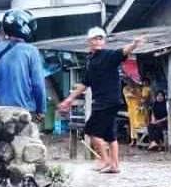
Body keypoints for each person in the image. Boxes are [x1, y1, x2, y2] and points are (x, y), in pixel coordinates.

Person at [57, 28, 145, 174]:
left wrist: (134, 44)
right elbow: (85, 83)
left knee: (92, 131)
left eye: (100, 39)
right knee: (110, 135)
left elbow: (122, 52)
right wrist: (69, 99)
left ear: (103, 41)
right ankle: (115, 165)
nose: (98, 41)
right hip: (106, 101)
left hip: (107, 101)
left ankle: (105, 160)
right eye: (95, 39)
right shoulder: (90, 61)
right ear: (89, 41)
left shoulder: (108, 55)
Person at [0, 9, 47, 121]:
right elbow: (38, 85)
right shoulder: (31, 51)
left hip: (0, 110)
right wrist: (41, 109)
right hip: (24, 111)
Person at [122, 77, 149, 146]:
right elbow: (128, 96)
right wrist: (132, 92)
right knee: (133, 125)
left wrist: (136, 92)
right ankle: (133, 139)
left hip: (140, 108)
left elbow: (142, 97)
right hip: (132, 108)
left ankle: (144, 139)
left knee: (142, 123)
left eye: (132, 81)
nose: (131, 82)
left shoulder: (139, 88)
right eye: (129, 81)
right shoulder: (125, 89)